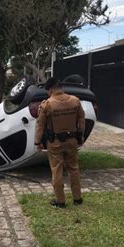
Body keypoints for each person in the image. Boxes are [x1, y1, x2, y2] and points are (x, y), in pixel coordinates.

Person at [34, 77, 85, 208]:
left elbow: (40, 125)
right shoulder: (75, 101)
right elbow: (81, 120)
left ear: (50, 89)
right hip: (72, 140)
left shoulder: (47, 104)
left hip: (55, 142)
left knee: (57, 170)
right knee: (74, 169)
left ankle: (61, 201)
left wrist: (37, 142)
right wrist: (81, 137)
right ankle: (77, 198)